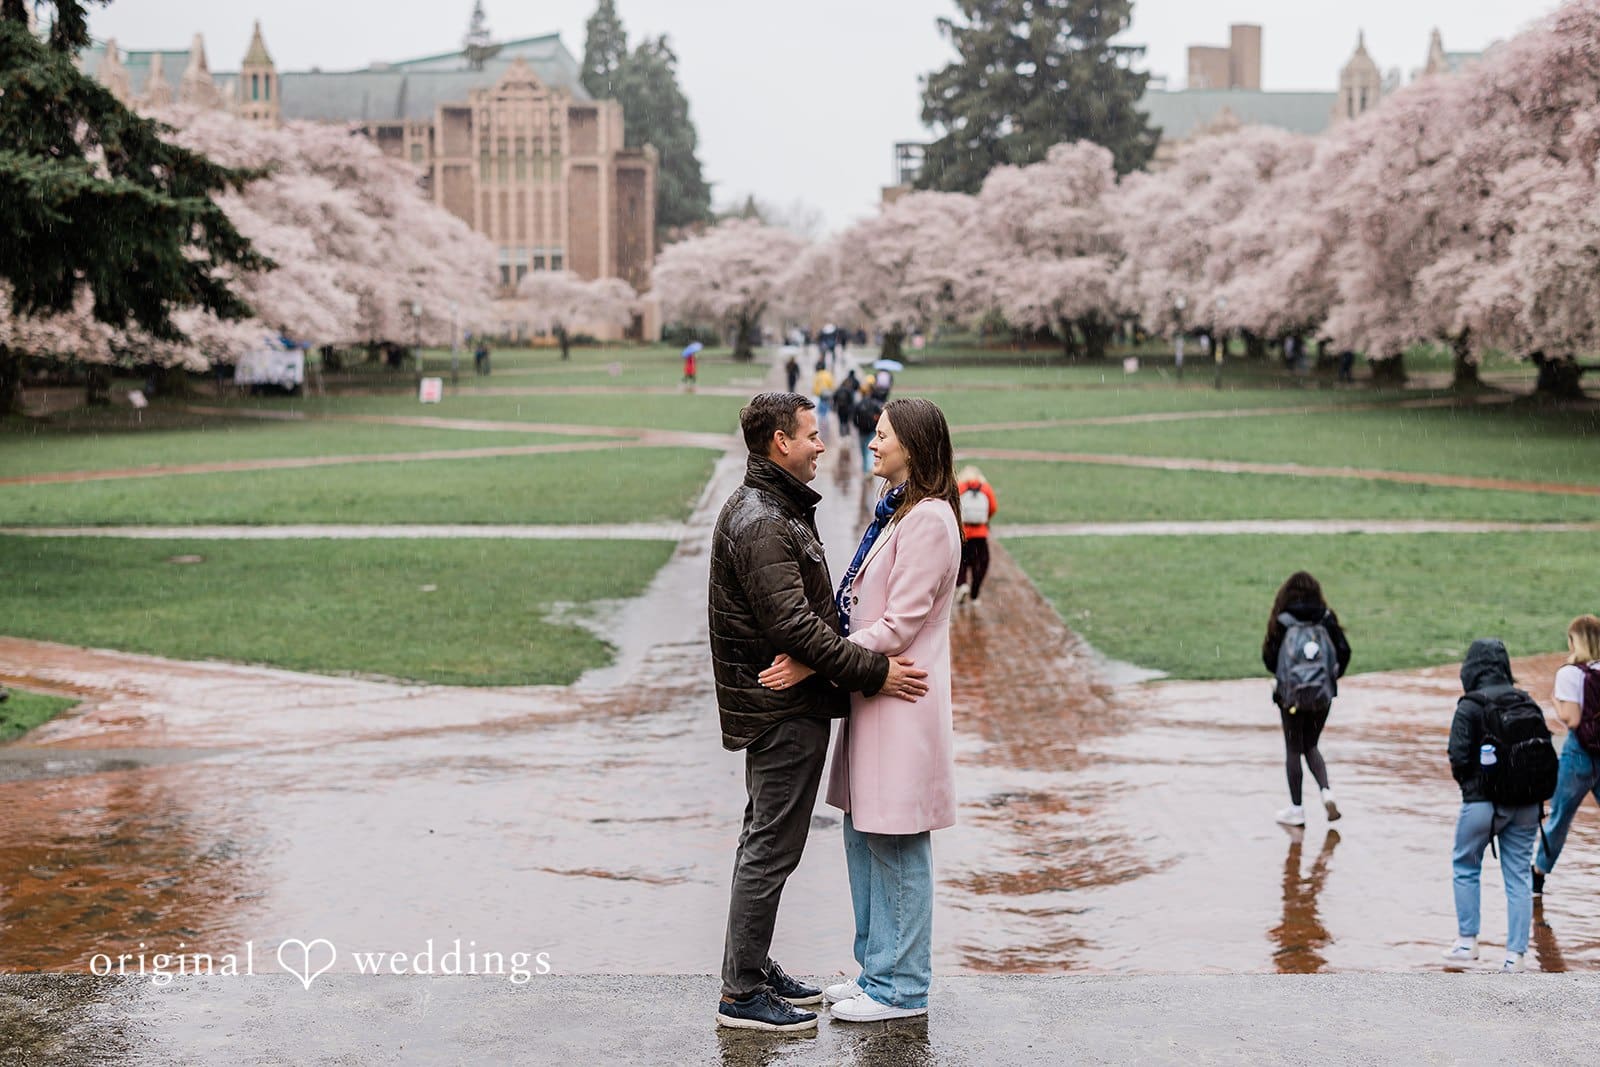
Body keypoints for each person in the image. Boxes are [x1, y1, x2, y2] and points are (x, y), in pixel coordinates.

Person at [707, 392, 930, 1033]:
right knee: (771, 849)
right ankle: (742, 993)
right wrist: (878, 671)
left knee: (764, 842)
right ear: (780, 441)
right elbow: (799, 629)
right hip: (782, 710)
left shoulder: (773, 509)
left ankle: (749, 966)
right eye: (810, 435)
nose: (821, 445)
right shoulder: (762, 520)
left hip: (783, 705)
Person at [760, 397, 962, 1022]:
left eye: (882, 436)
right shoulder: (897, 514)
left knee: (897, 842)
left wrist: (817, 658)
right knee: (864, 833)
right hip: (874, 695)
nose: (871, 444)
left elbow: (897, 624)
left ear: (915, 446)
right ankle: (878, 971)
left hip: (901, 696)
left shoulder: (928, 520)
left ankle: (903, 989)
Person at [1445, 639, 1544, 971]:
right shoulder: (1526, 700)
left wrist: (1475, 790)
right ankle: (1515, 955)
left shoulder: (1469, 706)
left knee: (1466, 865)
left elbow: (1458, 757)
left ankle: (1466, 942)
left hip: (1483, 805)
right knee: (1518, 876)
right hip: (1528, 804)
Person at [1262, 572, 1351, 827]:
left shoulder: (1282, 620)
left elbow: (1269, 658)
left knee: (1293, 749)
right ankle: (1326, 792)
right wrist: (1331, 679)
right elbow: (1344, 651)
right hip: (1322, 697)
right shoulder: (1326, 618)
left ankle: (1297, 809)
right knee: (1311, 745)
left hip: (1290, 698)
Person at [1533, 614, 1600, 896]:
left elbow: (1571, 719)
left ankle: (1538, 874)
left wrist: (1555, 704)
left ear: (1575, 640)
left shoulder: (1569, 673)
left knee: (1560, 816)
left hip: (1580, 753)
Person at [955, 466, 997, 607]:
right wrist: (984, 520)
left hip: (963, 533)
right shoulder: (985, 488)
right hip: (980, 534)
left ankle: (962, 584)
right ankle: (974, 593)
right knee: (981, 563)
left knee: (961, 562)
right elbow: (993, 507)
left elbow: (953, 506)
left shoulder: (960, 487)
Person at [853, 388, 884, 475]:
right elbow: (881, 416)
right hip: (871, 431)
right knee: (870, 451)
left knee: (863, 451)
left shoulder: (858, 404)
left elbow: (854, 419)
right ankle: (869, 468)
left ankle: (865, 469)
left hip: (862, 431)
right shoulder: (874, 404)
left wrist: (858, 426)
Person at [833, 370, 859, 438]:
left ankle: (842, 434)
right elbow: (852, 401)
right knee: (847, 421)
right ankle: (847, 434)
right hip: (847, 409)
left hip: (840, 408)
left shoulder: (839, 389)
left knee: (841, 421)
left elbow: (834, 398)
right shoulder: (849, 390)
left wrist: (834, 406)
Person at [812, 360, 835, 426]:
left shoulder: (818, 374)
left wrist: (815, 392)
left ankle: (821, 421)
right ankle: (825, 421)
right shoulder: (828, 374)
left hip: (819, 394)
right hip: (827, 394)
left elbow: (815, 385)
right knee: (826, 407)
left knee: (820, 409)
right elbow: (832, 385)